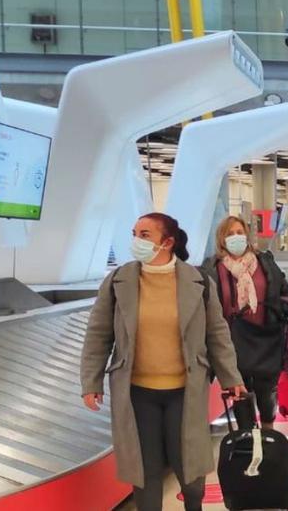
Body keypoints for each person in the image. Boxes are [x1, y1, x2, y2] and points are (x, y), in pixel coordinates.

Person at [81, 213, 245, 511]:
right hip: (137, 393)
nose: (136, 240)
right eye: (134, 233)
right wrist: (90, 382)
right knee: (145, 471)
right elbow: (98, 335)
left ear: (167, 242)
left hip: (185, 391)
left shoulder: (197, 281)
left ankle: (193, 505)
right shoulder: (119, 281)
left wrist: (231, 378)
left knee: (190, 468)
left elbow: (217, 334)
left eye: (144, 235)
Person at [201, 216, 288, 431]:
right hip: (233, 340)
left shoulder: (264, 262)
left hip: (266, 336)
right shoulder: (214, 268)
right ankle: (247, 435)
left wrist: (280, 310)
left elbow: (283, 290)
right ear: (222, 239)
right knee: (239, 389)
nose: (236, 237)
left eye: (239, 232)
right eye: (230, 233)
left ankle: (269, 433)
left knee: (267, 389)